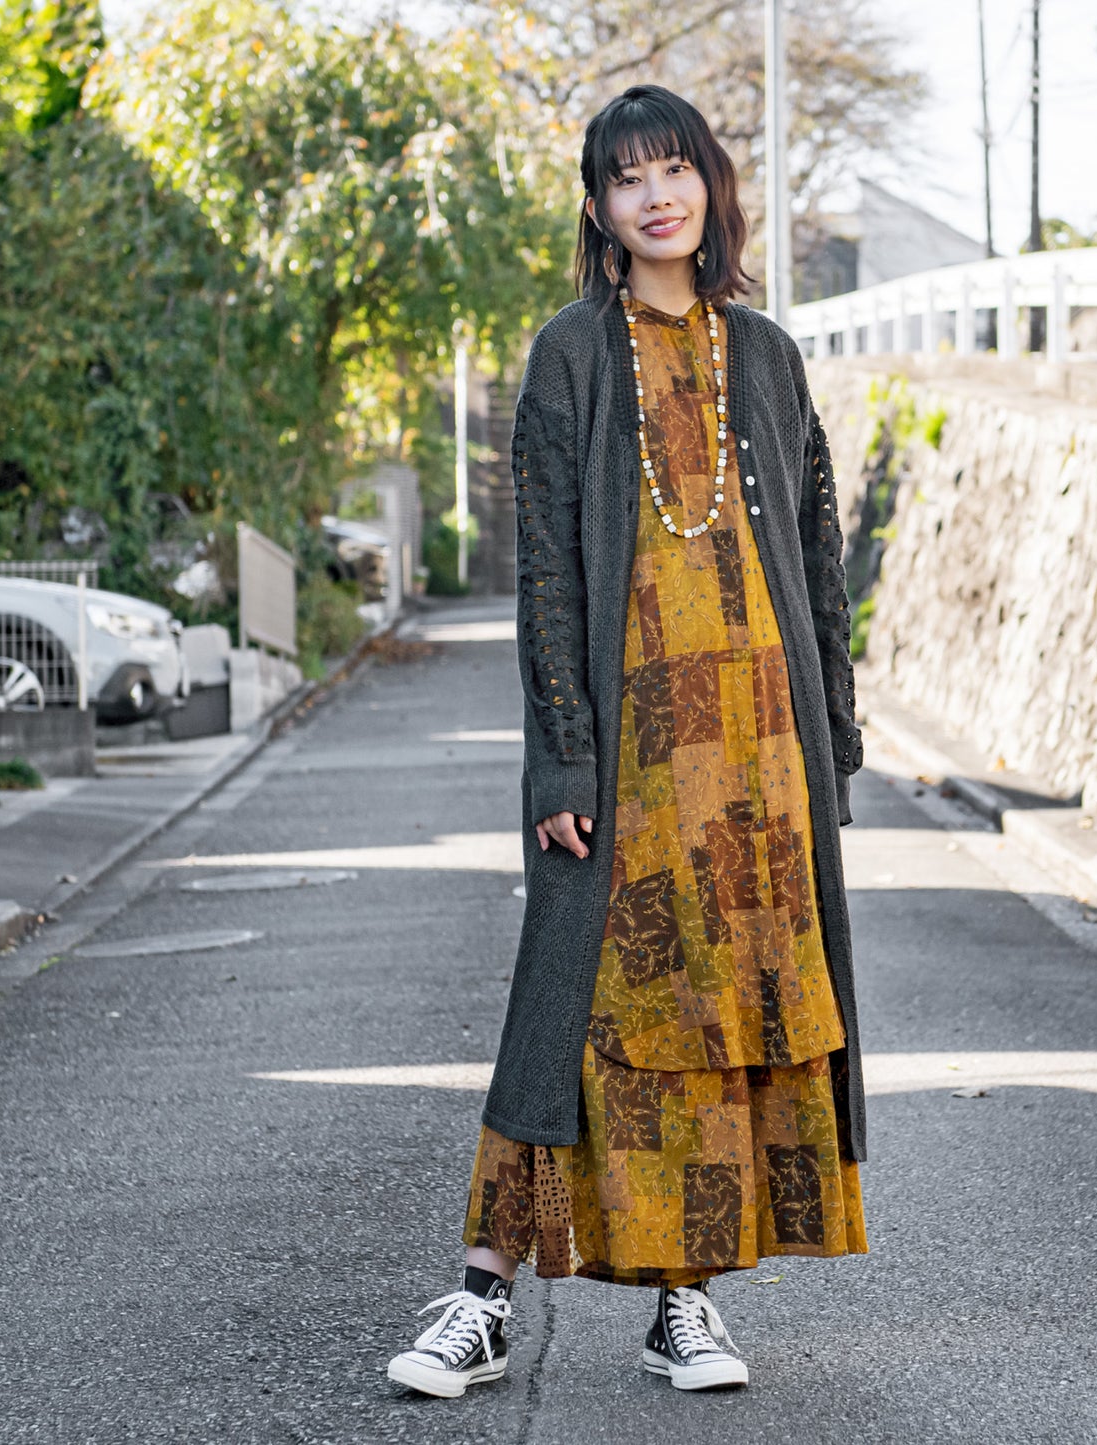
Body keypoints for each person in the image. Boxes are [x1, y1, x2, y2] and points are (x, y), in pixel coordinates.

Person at [388, 82, 866, 1400]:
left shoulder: (762, 351)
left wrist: (833, 727)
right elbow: (547, 569)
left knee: (714, 1019)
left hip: (761, 759)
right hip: (629, 749)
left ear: (710, 187)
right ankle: (482, 1293)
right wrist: (559, 758)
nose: (657, 195)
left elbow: (813, 550)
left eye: (676, 170)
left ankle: (684, 1305)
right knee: (578, 1013)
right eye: (627, 178)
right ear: (599, 209)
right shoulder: (569, 352)